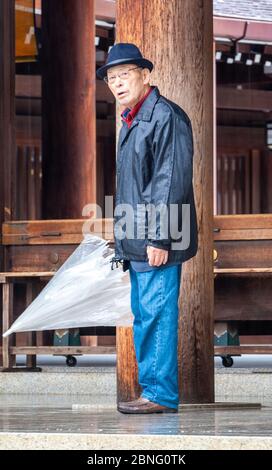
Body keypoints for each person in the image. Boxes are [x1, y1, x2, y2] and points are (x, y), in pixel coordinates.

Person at [97, 43, 198, 414]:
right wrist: (122, 238)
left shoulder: (164, 116)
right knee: (145, 315)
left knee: (157, 314)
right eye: (111, 78)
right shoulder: (131, 119)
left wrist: (160, 236)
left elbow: (170, 180)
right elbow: (134, 187)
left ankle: (159, 395)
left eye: (125, 74)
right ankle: (152, 391)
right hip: (138, 239)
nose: (118, 83)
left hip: (159, 239)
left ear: (145, 75)